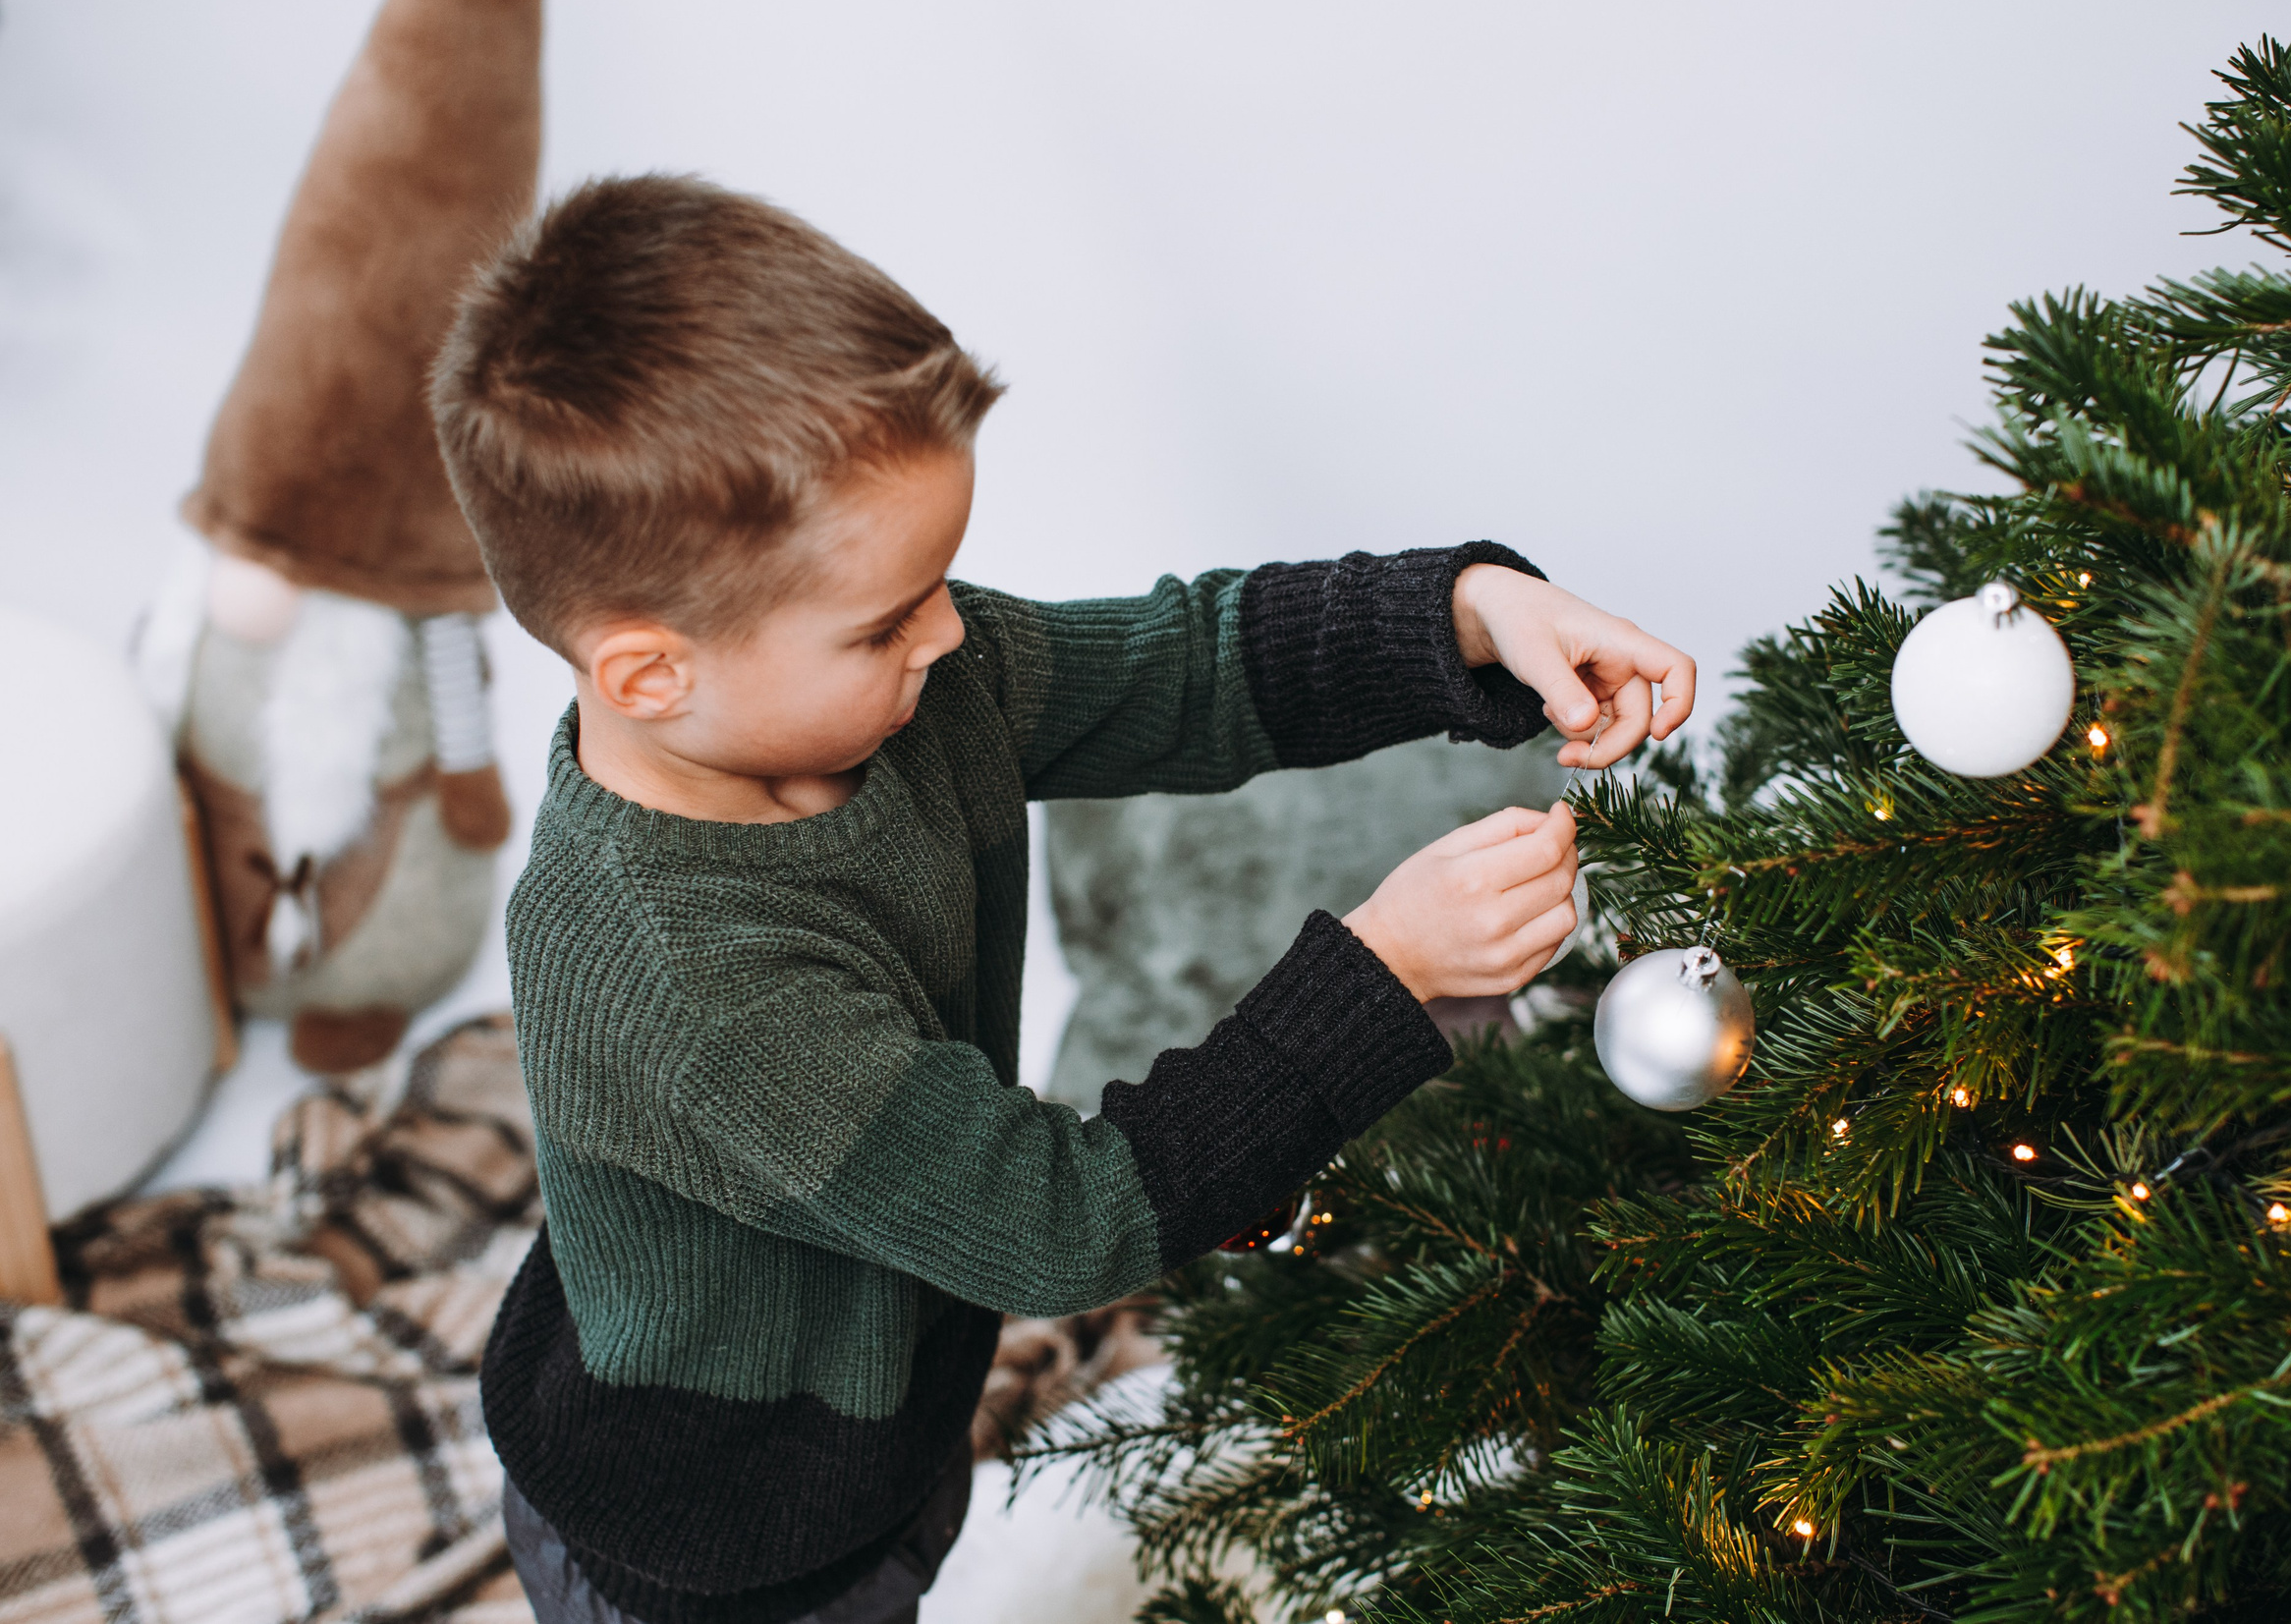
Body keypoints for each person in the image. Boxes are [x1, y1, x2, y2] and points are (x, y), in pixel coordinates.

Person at [431, 173, 1695, 1624]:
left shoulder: (908, 691)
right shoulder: (694, 987)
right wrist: (1384, 975)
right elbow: (1059, 1223)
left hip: (889, 1404)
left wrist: (1461, 612)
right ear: (654, 673)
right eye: (888, 617)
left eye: (942, 581)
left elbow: (1187, 667)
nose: (952, 631)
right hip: (732, 1532)